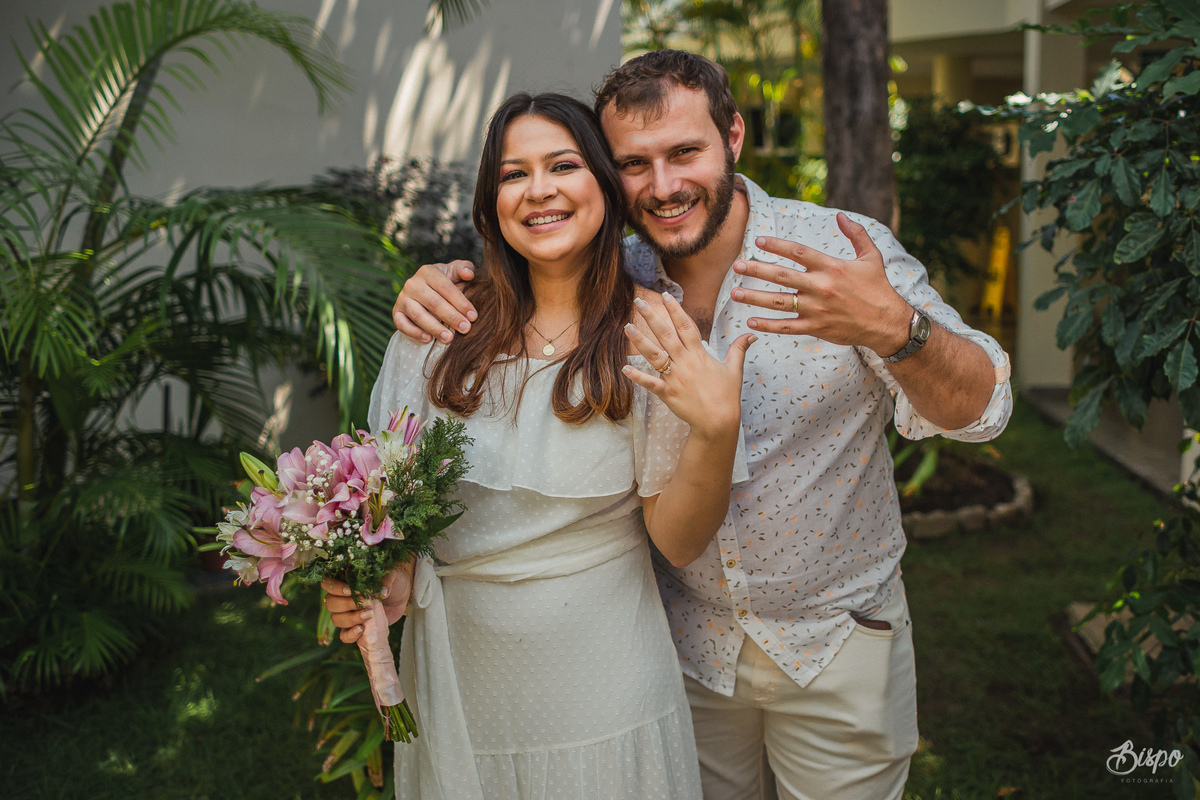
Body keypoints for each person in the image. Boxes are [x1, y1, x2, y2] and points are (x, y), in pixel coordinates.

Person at [389, 51, 1014, 800]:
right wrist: (435, 284)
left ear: (735, 137)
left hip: (835, 642)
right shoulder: (612, 280)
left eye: (685, 152)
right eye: (633, 163)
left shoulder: (841, 255)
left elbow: (981, 413)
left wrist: (895, 330)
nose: (663, 186)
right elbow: (527, 284)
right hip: (681, 647)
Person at [324, 92, 756, 799]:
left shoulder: (653, 333)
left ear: (605, 189)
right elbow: (396, 520)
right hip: (458, 670)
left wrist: (715, 429)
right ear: (490, 202)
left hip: (605, 678)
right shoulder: (435, 334)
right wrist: (386, 582)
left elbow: (677, 540)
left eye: (563, 164)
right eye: (513, 174)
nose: (540, 189)